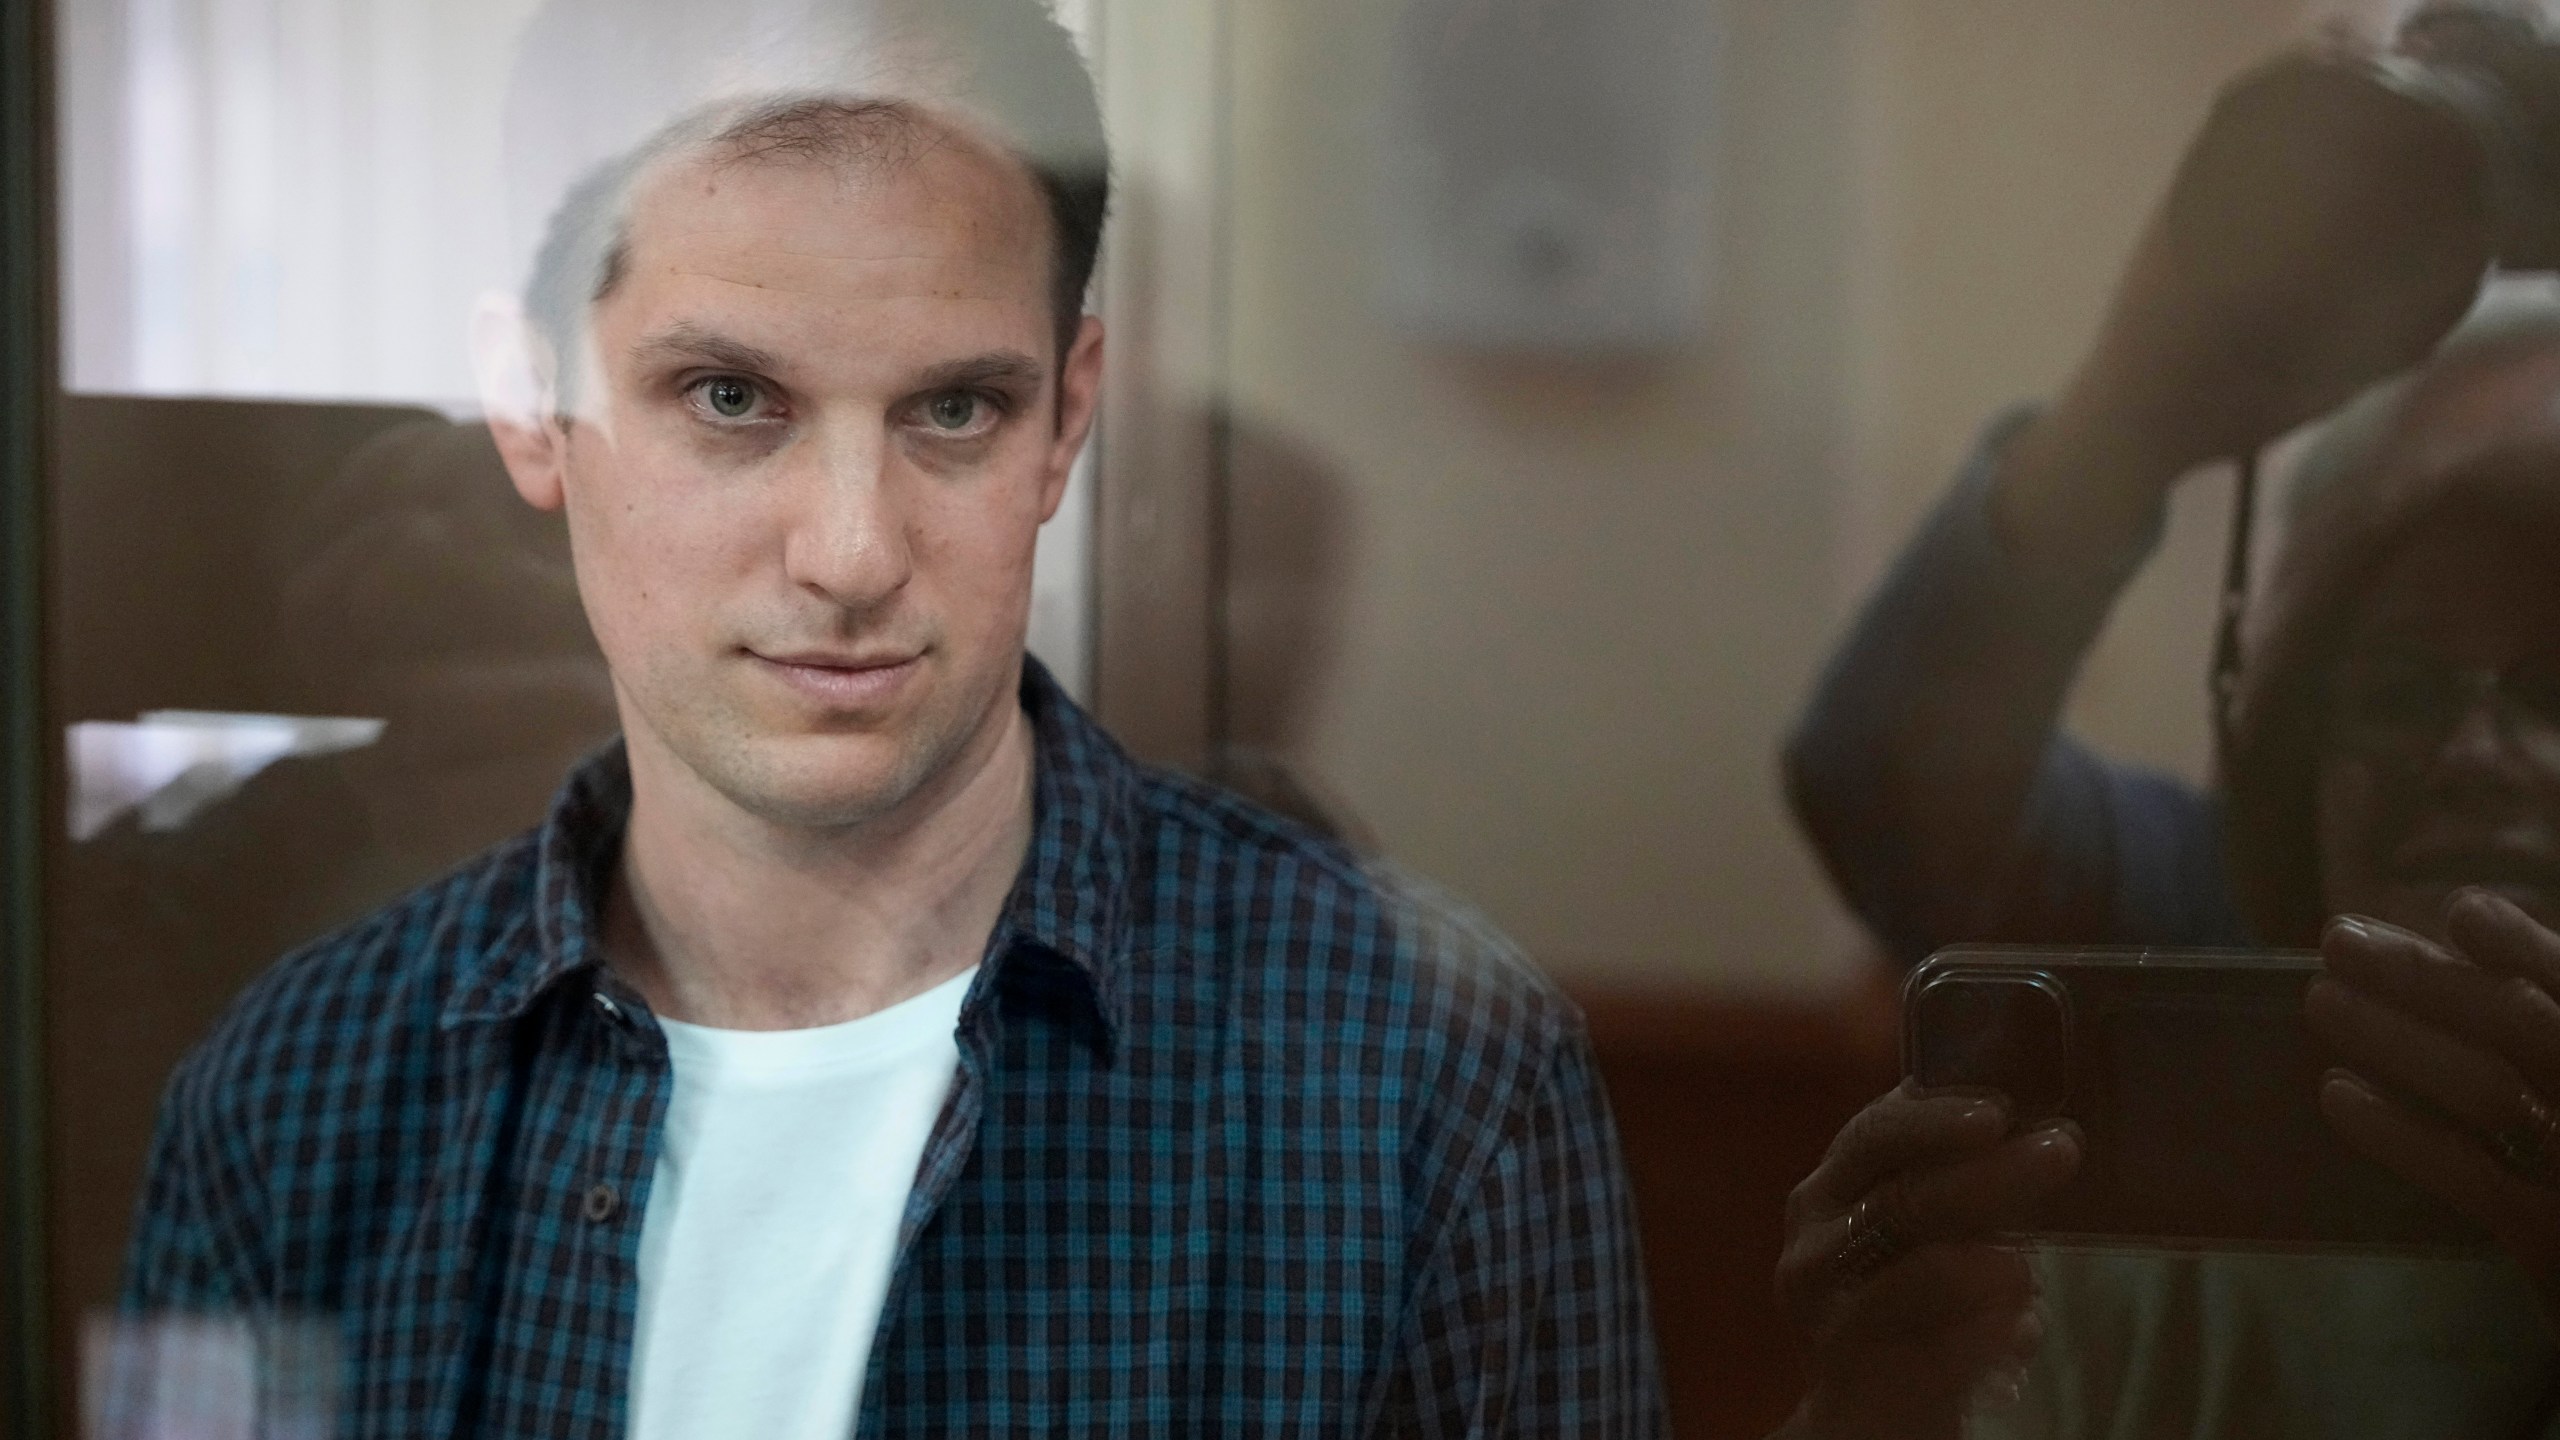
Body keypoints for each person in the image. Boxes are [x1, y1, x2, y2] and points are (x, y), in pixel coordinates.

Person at [108, 2, 1666, 1434]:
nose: (851, 553)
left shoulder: (1424, 1089)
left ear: (1066, 419)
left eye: (952, 409)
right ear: (529, 403)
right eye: (730, 398)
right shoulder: (295, 1102)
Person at [1771, 10, 2560, 1440]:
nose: (2480, 754)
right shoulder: (2226, 944)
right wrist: (2151, 387)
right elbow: (1888, 783)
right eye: (2396, 684)